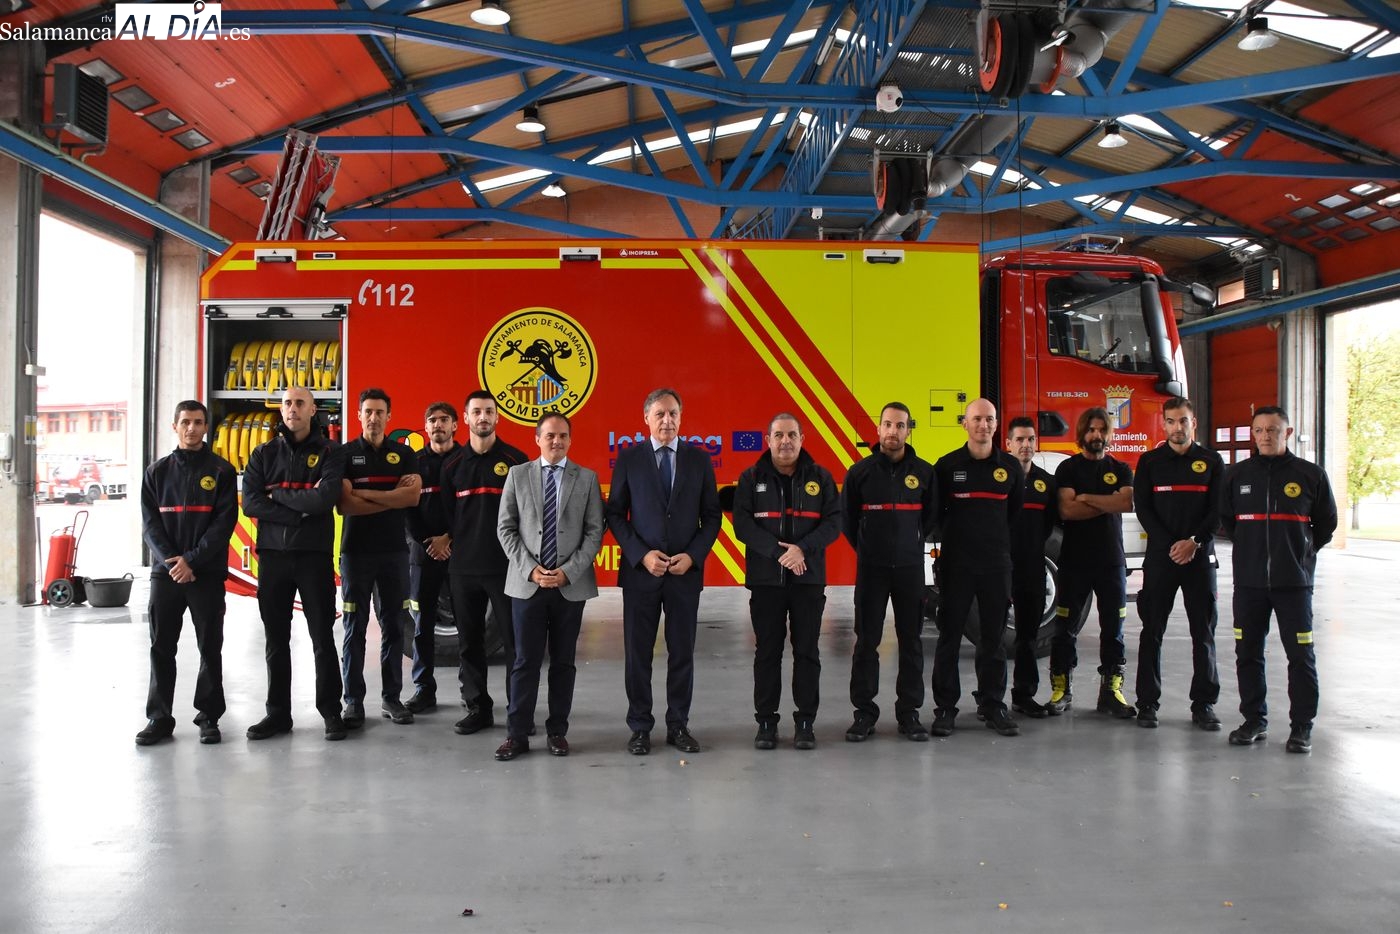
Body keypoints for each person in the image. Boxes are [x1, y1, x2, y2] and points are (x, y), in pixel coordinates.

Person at [606, 387, 721, 755]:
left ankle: (678, 725)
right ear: (646, 419)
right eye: (660, 414)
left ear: (681, 417)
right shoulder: (629, 459)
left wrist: (693, 555)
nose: (667, 420)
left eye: (673, 414)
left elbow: (712, 515)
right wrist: (641, 555)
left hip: (684, 574)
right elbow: (615, 514)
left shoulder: (699, 460)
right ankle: (640, 726)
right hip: (642, 574)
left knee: (682, 652)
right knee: (638, 654)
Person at [1221, 406, 1337, 754]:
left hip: (1294, 585)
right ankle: (1254, 720)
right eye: (1259, 430)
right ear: (1253, 435)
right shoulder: (1236, 476)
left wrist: (1299, 552)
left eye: (1273, 430)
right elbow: (1227, 522)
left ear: (1286, 433)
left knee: (1300, 655)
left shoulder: (1310, 475)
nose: (1265, 436)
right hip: (1249, 584)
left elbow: (1326, 525)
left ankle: (1302, 726)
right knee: (1248, 653)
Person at [493, 412, 606, 760]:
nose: (556, 441)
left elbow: (594, 532)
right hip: (527, 586)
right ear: (537, 439)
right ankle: (517, 735)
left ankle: (558, 731)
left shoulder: (586, 479)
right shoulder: (517, 475)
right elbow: (505, 529)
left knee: (563, 662)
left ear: (570, 440)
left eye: (562, 436)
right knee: (525, 661)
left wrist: (568, 571)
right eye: (549, 436)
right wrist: (531, 570)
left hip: (569, 587)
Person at [241, 386, 347, 741]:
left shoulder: (331, 452)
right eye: (287, 403)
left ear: (313, 409)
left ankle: (331, 712)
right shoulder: (263, 453)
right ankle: (277, 714)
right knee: (275, 640)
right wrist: (297, 512)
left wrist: (281, 497)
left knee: (321, 638)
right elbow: (251, 503)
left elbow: (324, 498)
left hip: (313, 558)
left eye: (300, 403)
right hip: (272, 559)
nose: (292, 409)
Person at [732, 413, 841, 750]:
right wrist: (778, 553)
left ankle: (805, 722)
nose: (785, 442)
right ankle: (766, 722)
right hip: (766, 582)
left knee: (807, 651)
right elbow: (743, 525)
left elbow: (835, 522)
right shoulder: (751, 478)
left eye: (792, 434)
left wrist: (802, 550)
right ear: (768, 439)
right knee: (767, 651)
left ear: (802, 438)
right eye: (778, 435)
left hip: (808, 581)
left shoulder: (820, 478)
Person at [135, 400, 239, 746]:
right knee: (161, 646)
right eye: (185, 422)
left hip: (205, 574)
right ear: (174, 426)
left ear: (206, 427)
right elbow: (150, 526)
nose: (192, 429)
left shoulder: (222, 472)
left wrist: (191, 561)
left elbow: (223, 525)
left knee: (210, 646)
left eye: (198, 422)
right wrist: (172, 562)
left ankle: (209, 717)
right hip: (166, 575)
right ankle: (159, 718)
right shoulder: (156, 473)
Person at [840, 402, 938, 742]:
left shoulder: (925, 473)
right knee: (867, 641)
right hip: (872, 570)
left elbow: (932, 519)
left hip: (910, 570)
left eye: (899, 426)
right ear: (878, 429)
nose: (893, 432)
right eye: (887, 425)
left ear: (908, 430)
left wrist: (910, 543)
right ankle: (864, 713)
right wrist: (869, 548)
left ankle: (909, 714)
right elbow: (848, 521)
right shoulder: (860, 473)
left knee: (911, 641)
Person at [929, 398, 1024, 737]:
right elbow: (935, 518)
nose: (983, 425)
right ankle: (945, 708)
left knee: (993, 638)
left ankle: (992, 703)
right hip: (957, 567)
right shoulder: (946, 466)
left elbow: (1013, 516)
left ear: (997, 425)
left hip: (996, 567)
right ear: (964, 424)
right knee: (949, 638)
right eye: (977, 419)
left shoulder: (1010, 468)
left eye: (989, 419)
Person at [1132, 397, 1225, 730]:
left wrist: (1194, 543)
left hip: (1199, 558)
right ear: (1163, 424)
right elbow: (1143, 508)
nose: (1177, 427)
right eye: (1170, 421)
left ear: (1193, 423)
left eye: (1183, 421)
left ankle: (1203, 704)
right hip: (1162, 557)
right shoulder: (1150, 462)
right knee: (1151, 631)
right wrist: (1172, 545)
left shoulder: (1212, 461)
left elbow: (1218, 511)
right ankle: (1147, 703)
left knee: (1203, 632)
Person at [442, 391, 528, 735]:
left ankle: (518, 711)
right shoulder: (452, 467)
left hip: (507, 569)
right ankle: (478, 708)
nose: (483, 417)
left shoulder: (517, 461)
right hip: (463, 570)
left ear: (497, 417)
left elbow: (526, 515)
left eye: (488, 411)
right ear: (465, 418)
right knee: (470, 642)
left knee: (514, 643)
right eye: (476, 412)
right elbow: (449, 517)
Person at [336, 388, 422, 728]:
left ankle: (391, 698)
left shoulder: (404, 454)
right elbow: (345, 504)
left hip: (394, 554)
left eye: (379, 412)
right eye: (368, 411)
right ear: (358, 415)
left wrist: (364, 492)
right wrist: (392, 496)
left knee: (394, 626)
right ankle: (353, 702)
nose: (373, 418)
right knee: (353, 627)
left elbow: (412, 499)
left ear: (390, 416)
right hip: (356, 553)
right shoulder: (343, 455)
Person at [1048, 407, 1136, 719]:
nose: (1096, 435)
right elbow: (1067, 511)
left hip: (1111, 562)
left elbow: (1126, 502)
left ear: (1109, 434)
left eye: (1102, 430)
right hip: (1075, 562)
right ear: (1082, 433)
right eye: (1091, 430)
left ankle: (1111, 691)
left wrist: (1087, 498)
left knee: (1114, 628)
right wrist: (1106, 501)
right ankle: (1061, 689)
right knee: (1065, 628)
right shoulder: (1068, 469)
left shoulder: (1122, 469)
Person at [403, 402, 460, 714]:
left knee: (468, 624)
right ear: (425, 428)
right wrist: (429, 543)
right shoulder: (413, 463)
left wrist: (449, 538)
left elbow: (471, 511)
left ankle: (471, 691)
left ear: (454, 426)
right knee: (423, 624)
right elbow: (407, 509)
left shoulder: (466, 460)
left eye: (444, 420)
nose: (438, 425)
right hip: (423, 554)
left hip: (460, 553)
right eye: (432, 420)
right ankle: (424, 689)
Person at [1005, 416, 1058, 719]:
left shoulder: (1046, 483)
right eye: (1020, 440)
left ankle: (1023, 695)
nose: (1026, 445)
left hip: (1032, 568)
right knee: (992, 636)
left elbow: (1048, 524)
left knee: (1028, 636)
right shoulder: (998, 477)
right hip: (999, 569)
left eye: (1030, 440)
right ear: (1009, 443)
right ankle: (991, 698)